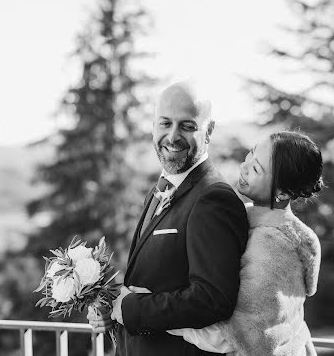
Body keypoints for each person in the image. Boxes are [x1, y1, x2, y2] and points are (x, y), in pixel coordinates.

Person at [87, 80, 248, 356]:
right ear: (153, 125)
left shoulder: (213, 198)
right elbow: (155, 278)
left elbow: (212, 299)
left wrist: (132, 309)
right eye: (165, 123)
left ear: (208, 131)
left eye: (187, 126)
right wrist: (112, 308)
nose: (173, 136)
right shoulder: (161, 187)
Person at [133, 130, 323, 356]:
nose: (243, 167)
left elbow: (236, 337)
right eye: (250, 155)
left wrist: (144, 309)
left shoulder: (272, 247)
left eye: (255, 169)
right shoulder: (254, 219)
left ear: (282, 192)